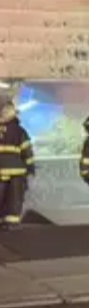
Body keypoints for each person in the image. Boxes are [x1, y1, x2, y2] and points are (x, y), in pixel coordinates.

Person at [0, 98, 35, 230]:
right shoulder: (19, 131)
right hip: (17, 172)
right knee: (14, 197)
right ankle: (11, 223)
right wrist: (30, 167)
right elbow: (27, 151)